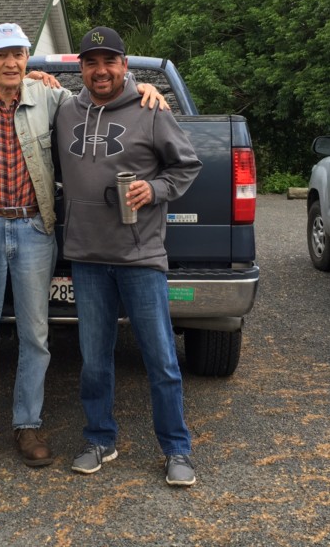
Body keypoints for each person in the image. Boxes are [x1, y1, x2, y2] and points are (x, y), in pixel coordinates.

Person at [0, 23, 166, 470]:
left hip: (33, 228)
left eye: (18, 54)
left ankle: (28, 425)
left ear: (27, 58)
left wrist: (143, 86)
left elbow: (101, 98)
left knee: (36, 336)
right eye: (1, 54)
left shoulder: (52, 98)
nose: (10, 63)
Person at [54, 26, 203, 487]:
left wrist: (154, 189)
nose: (101, 71)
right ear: (81, 68)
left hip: (140, 256)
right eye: (91, 62)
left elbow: (187, 165)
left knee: (161, 359)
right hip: (86, 255)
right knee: (94, 360)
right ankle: (100, 439)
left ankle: (176, 448)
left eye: (110, 62)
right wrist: (38, 79)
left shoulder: (151, 110)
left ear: (125, 65)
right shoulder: (64, 110)